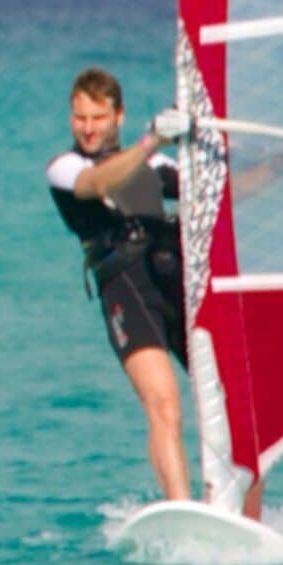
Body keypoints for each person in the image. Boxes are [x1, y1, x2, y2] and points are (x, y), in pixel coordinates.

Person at [44, 66, 241, 512]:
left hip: (177, 283)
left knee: (236, 402)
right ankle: (182, 510)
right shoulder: (66, 167)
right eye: (80, 118)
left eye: (97, 117)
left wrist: (281, 164)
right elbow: (98, 184)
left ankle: (246, 517)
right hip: (126, 290)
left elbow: (226, 192)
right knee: (164, 402)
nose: (88, 128)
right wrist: (153, 139)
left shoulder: (156, 167)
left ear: (119, 116)